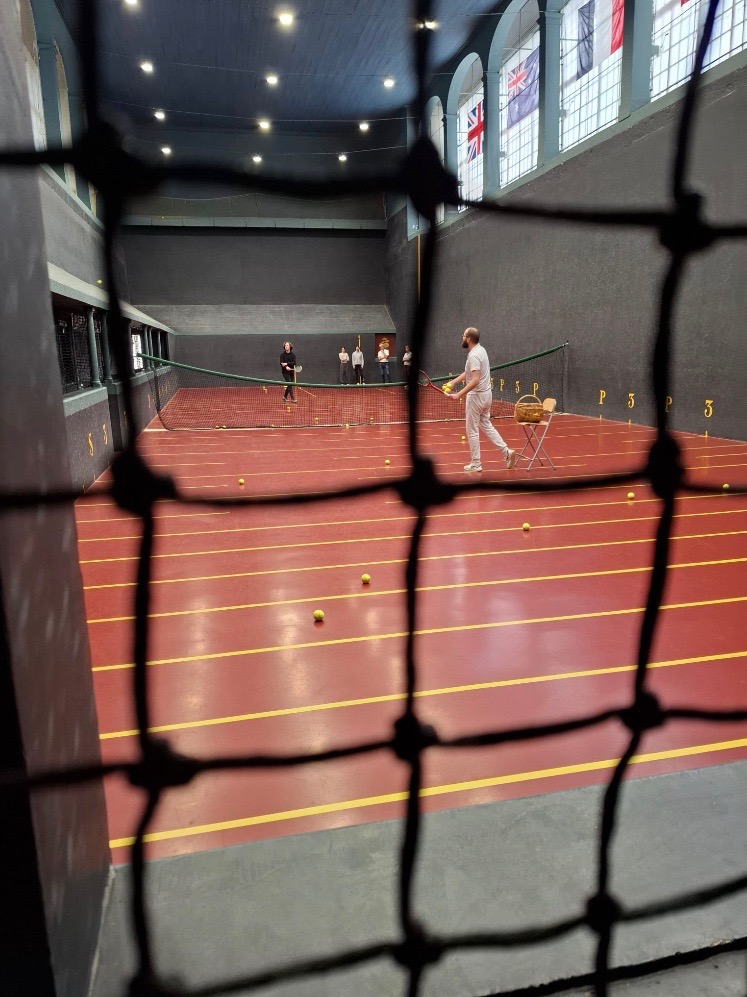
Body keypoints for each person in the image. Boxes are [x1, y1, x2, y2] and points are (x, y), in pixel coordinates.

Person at [444, 327, 518, 472]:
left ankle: (476, 463)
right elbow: (469, 373)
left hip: (476, 397)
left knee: (472, 430)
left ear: (468, 339)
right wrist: (453, 382)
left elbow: (475, 380)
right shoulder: (481, 350)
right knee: (486, 425)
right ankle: (506, 452)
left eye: (463, 335)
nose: (462, 337)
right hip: (486, 396)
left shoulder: (473, 355)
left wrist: (459, 394)